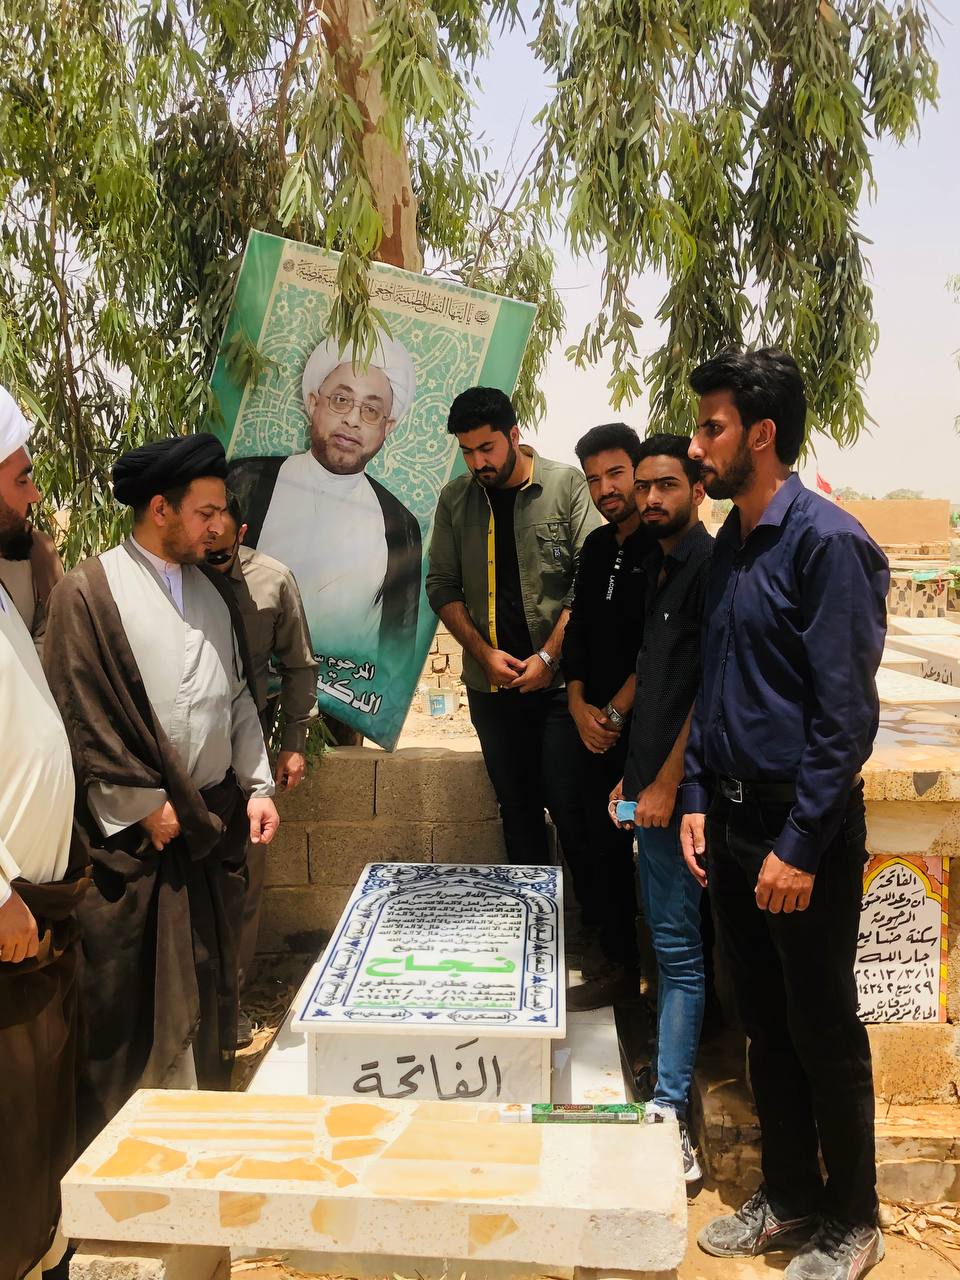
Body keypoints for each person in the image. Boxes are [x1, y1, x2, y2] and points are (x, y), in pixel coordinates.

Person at [678, 350, 888, 1280]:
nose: (696, 446)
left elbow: (846, 720)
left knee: (822, 1028)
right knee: (763, 1023)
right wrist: (695, 796)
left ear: (761, 435)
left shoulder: (827, 545)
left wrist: (799, 845)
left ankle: (855, 1217)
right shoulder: (730, 543)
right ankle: (792, 1192)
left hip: (803, 834)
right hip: (729, 828)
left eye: (711, 427)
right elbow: (716, 685)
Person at [44, 433, 280, 1141]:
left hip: (205, 833)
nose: (220, 526)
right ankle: (124, 1153)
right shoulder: (88, 592)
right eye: (206, 513)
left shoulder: (213, 592)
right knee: (126, 1012)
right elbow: (78, 717)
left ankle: (196, 1140)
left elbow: (238, 698)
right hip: (132, 851)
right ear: (160, 510)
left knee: (207, 989)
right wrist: (144, 807)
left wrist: (258, 785)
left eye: (222, 512)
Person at [426, 386, 601, 867]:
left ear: (514, 435)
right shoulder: (455, 499)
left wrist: (548, 657)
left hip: (561, 688)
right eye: (467, 451)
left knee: (570, 807)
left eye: (487, 448)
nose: (477, 462)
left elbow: (589, 579)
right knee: (517, 811)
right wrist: (484, 655)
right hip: (492, 689)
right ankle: (530, 911)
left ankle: (587, 913)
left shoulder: (565, 486)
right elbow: (440, 585)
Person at [0, 387, 88, 1280]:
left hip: (34, 922)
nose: (33, 495)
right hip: (7, 921)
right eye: (20, 478)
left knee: (35, 1154)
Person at [608, 433, 712, 1184]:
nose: (650, 498)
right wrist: (632, 776)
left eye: (666, 485)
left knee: (678, 952)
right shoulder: (660, 565)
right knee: (665, 941)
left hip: (682, 798)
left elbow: (707, 691)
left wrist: (670, 783)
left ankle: (671, 1114)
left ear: (697, 490)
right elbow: (655, 680)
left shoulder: (710, 568)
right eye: (644, 486)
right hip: (649, 791)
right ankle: (668, 1089)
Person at [227, 335, 421, 676]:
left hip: (343, 692)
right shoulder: (247, 481)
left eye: (371, 410)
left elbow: (397, 650)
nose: (353, 420)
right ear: (313, 402)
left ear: (387, 427)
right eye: (341, 400)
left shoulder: (400, 524)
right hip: (241, 682)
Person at [206, 492, 318, 1024]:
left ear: (242, 533)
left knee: (246, 879)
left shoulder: (273, 581)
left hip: (248, 756)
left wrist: (294, 743)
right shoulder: (175, 578)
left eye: (223, 551)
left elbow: (299, 665)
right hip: (185, 758)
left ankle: (229, 1006)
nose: (213, 559)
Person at [561, 422, 652, 1009]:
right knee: (602, 845)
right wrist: (576, 704)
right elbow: (579, 633)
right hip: (592, 728)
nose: (605, 489)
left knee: (661, 855)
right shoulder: (596, 547)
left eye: (615, 474)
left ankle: (676, 986)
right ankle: (619, 965)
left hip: (646, 733)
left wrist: (617, 712)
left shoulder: (663, 545)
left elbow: (661, 646)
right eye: (593, 479)